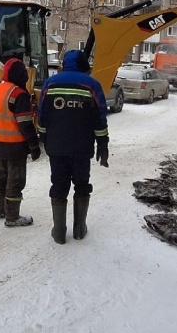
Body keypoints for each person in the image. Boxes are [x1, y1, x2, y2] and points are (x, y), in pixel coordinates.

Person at [37, 49, 109, 245]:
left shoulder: (50, 83)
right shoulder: (92, 84)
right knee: (82, 185)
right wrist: (103, 142)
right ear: (84, 64)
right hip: (82, 147)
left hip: (57, 146)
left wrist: (43, 135)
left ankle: (59, 232)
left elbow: (42, 114)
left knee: (59, 186)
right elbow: (100, 117)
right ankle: (79, 229)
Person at [0, 57, 42, 227]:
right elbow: (25, 124)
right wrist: (34, 146)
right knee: (16, 180)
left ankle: (0, 209)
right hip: (15, 145)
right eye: (24, 74)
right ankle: (12, 217)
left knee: (1, 177)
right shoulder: (18, 94)